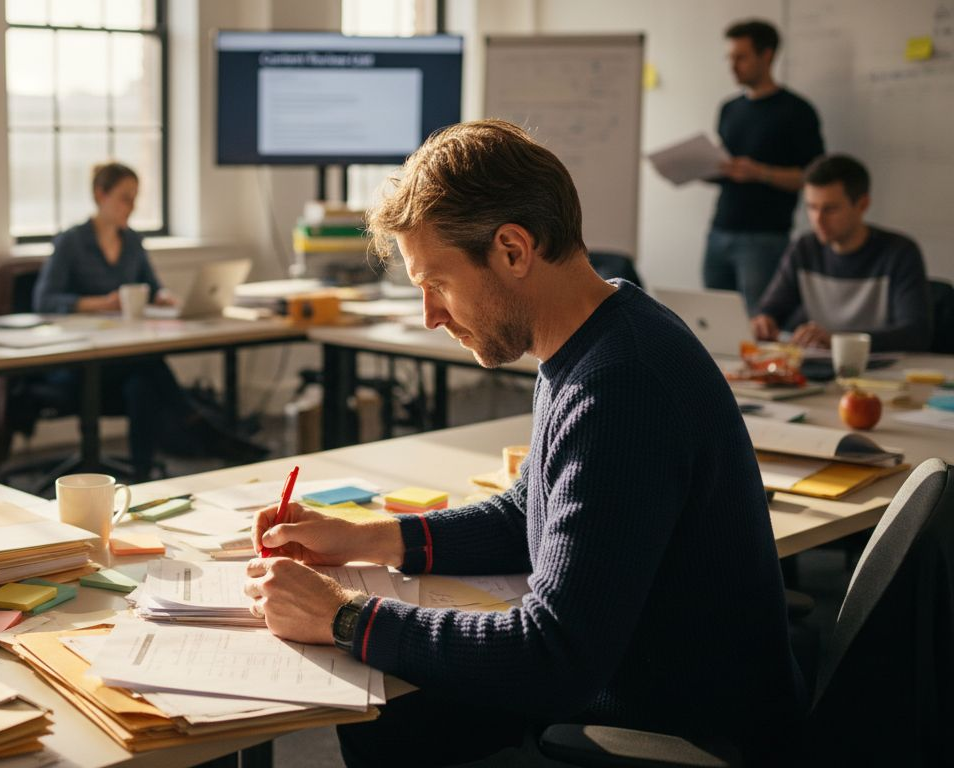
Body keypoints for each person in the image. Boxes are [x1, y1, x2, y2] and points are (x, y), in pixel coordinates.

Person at [243, 120, 805, 766]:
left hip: (681, 734)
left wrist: (344, 616)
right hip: (636, 688)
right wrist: (366, 538)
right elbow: (524, 513)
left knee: (395, 706)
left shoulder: (621, 388)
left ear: (512, 251)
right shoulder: (601, 333)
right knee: (393, 718)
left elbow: (553, 656)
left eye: (438, 284)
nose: (430, 315)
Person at [31, 162, 265, 480]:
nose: (132, 206)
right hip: (79, 364)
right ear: (101, 195)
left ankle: (143, 475)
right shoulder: (71, 243)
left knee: (143, 382)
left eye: (135, 198)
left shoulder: (132, 243)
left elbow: (152, 288)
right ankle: (206, 430)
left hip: (124, 357)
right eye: (125, 197)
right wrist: (102, 303)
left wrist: (164, 297)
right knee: (148, 366)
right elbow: (44, 301)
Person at [753, 154, 932, 352]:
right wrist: (764, 320)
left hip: (882, 371)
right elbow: (771, 309)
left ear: (862, 205)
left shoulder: (899, 253)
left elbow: (915, 334)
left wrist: (837, 341)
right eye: (811, 207)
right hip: (819, 370)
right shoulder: (804, 249)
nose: (818, 220)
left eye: (830, 209)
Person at [705, 19, 824, 312]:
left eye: (741, 57)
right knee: (712, 319)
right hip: (719, 229)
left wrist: (760, 172)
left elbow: (814, 178)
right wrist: (705, 168)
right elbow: (726, 167)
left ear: (767, 55)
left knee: (759, 321)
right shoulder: (729, 108)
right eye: (730, 57)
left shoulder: (796, 111)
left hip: (764, 237)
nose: (733, 66)